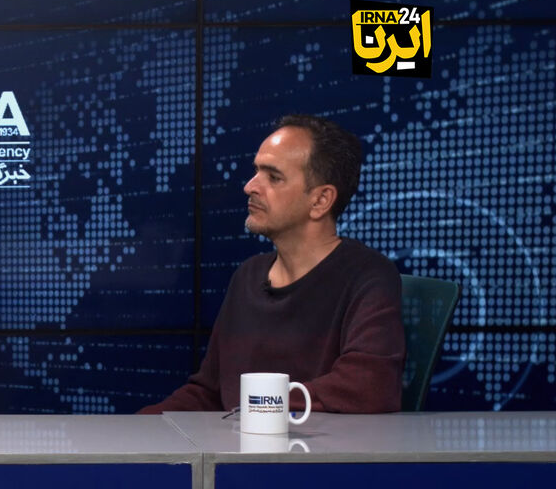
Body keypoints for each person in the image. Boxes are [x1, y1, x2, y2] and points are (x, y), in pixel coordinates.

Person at [140, 114, 404, 414]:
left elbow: (369, 386)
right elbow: (210, 392)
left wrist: (257, 407)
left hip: (306, 445)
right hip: (238, 439)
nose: (250, 187)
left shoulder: (368, 277)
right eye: (256, 172)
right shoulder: (248, 276)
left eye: (273, 177)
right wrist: (137, 428)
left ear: (320, 201)